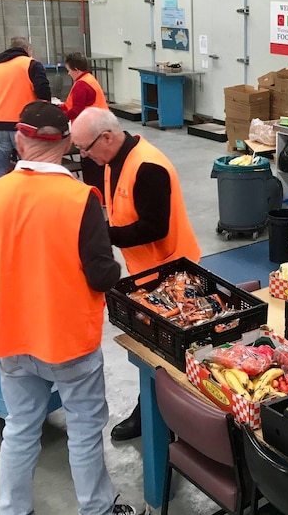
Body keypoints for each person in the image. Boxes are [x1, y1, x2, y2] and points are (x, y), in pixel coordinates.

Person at [0, 101, 144, 515]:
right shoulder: (80, 200)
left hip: (12, 339)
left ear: (20, 141)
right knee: (82, 428)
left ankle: (12, 509)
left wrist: (7, 304)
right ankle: (97, 508)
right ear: (65, 146)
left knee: (20, 428)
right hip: (69, 341)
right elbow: (99, 274)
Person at [71, 107, 201, 441]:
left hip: (173, 274)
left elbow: (154, 229)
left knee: (163, 354)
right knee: (152, 350)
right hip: (145, 273)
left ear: (108, 137)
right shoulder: (114, 161)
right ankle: (160, 412)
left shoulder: (148, 167)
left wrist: (101, 234)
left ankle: (164, 417)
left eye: (86, 148)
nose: (84, 156)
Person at [0, 36, 52, 181]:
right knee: (31, 170)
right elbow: (43, 91)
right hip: (24, 124)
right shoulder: (31, 64)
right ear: (28, 50)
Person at [61, 51, 110, 195]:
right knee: (98, 164)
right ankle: (102, 195)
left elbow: (76, 110)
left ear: (76, 69)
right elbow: (71, 104)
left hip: (91, 130)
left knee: (91, 165)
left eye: (69, 70)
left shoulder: (81, 85)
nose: (69, 74)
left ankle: (96, 195)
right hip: (100, 126)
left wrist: (59, 117)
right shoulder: (89, 79)